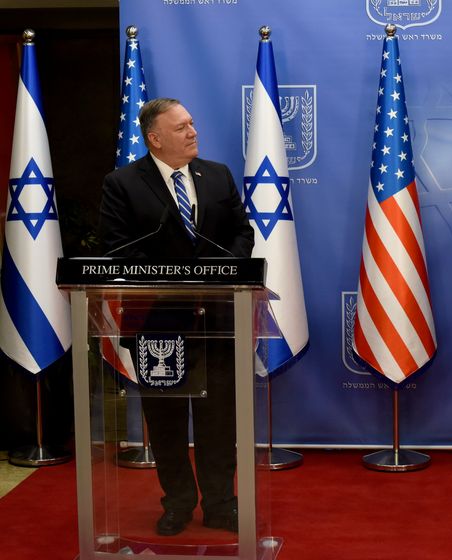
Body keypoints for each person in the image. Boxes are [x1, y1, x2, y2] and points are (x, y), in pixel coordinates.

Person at [99, 98, 254, 536]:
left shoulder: (217, 175)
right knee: (166, 425)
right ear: (155, 138)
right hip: (158, 325)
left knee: (219, 422)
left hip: (218, 322)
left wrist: (221, 273)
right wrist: (178, 277)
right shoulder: (123, 183)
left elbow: (242, 232)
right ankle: (178, 504)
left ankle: (222, 506)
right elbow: (119, 249)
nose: (193, 132)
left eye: (192, 123)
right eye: (182, 126)